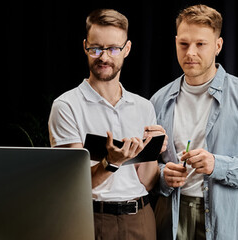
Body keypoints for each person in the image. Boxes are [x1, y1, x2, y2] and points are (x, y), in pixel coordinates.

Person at [150, 4, 238, 240]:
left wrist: (217, 165)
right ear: (176, 42)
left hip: (228, 220)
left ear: (218, 46)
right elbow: (150, 166)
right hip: (170, 216)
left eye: (200, 44)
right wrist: (162, 176)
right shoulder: (159, 100)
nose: (190, 52)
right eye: (184, 44)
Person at [47, 8, 166, 240]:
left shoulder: (144, 106)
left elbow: (148, 182)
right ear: (85, 47)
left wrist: (153, 150)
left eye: (113, 49)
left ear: (127, 49)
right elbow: (72, 184)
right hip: (92, 218)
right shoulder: (67, 105)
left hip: (141, 217)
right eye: (96, 48)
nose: (104, 57)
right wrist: (111, 163)